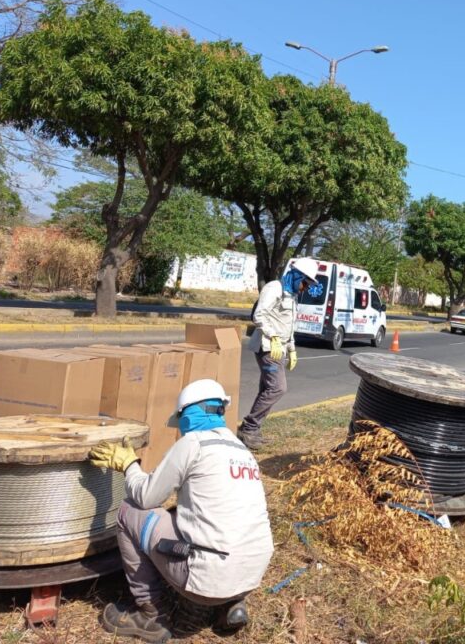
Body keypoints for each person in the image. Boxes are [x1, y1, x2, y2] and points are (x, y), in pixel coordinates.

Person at [89, 379, 274, 643]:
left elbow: (146, 496)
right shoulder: (242, 451)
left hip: (208, 578)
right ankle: (231, 604)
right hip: (251, 575)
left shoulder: (194, 444)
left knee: (129, 511)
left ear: (187, 414)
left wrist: (129, 464)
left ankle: (150, 615)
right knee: (197, 517)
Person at [237, 257, 320, 449]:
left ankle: (252, 431)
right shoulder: (274, 288)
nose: (306, 288)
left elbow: (288, 326)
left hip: (279, 348)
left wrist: (292, 349)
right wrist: (273, 337)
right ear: (299, 276)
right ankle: (249, 428)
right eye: (306, 283)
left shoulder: (291, 296)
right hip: (267, 346)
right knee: (277, 388)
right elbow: (259, 315)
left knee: (267, 389)